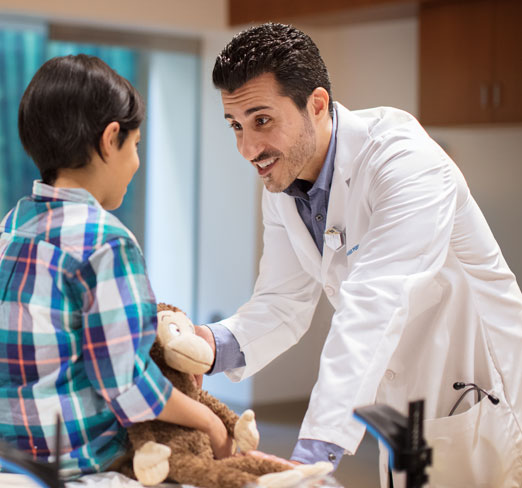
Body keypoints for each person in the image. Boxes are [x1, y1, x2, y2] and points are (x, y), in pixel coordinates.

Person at [197, 22, 522, 487]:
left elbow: (374, 303)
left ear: (317, 104)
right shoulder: (285, 182)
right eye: (236, 126)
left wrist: (315, 450)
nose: (248, 149)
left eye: (262, 120)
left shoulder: (407, 164)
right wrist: (209, 346)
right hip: (401, 405)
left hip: (480, 392)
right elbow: (282, 302)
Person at [0, 54, 233, 479]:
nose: (137, 162)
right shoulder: (106, 239)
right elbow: (126, 385)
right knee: (208, 441)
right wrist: (210, 422)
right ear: (111, 139)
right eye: (136, 145)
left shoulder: (14, 223)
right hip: (70, 454)